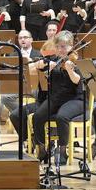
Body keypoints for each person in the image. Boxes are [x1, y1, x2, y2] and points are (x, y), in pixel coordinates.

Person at [30, 30, 84, 164]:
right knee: (37, 116)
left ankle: (62, 151)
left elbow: (77, 81)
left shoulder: (77, 61)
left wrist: (70, 70)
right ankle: (42, 149)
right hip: (55, 98)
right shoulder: (52, 59)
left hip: (75, 99)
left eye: (65, 46)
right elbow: (36, 66)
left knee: (62, 117)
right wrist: (41, 65)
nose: (61, 49)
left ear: (71, 46)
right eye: (59, 46)